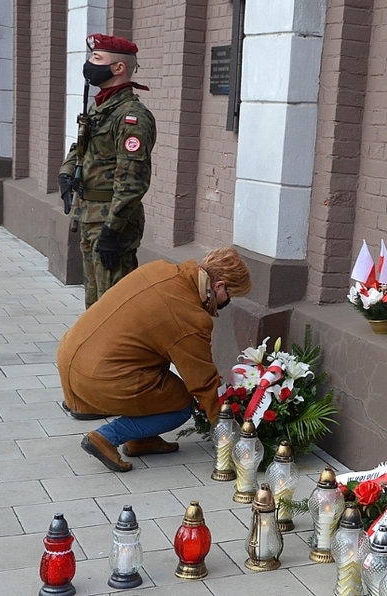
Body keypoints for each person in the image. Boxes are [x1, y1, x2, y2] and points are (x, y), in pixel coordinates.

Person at [57, 247, 251, 472]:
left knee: (158, 376)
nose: (228, 301)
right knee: (180, 403)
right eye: (231, 295)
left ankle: (141, 438)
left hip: (71, 358)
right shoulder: (190, 316)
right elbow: (202, 382)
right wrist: (228, 430)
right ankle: (106, 437)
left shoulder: (161, 269)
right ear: (219, 287)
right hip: (99, 377)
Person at [59, 33, 157, 309]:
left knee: (115, 308)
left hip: (111, 223)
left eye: (97, 58)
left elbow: (133, 181)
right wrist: (66, 175)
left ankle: (116, 353)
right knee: (94, 303)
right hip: (89, 216)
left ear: (118, 68)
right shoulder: (100, 107)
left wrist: (112, 230)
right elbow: (81, 146)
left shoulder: (131, 117)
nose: (90, 64)